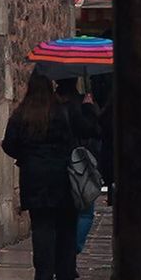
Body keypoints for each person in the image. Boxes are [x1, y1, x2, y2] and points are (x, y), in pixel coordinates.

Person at [1, 75, 93, 280]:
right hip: (61, 174)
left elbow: (8, 144)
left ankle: (43, 276)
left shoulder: (21, 115)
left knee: (42, 227)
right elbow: (74, 138)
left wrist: (26, 156)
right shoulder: (61, 111)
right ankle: (65, 273)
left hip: (34, 176)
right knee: (66, 225)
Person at [54, 77, 102, 253]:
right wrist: (90, 108)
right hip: (80, 164)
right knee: (85, 211)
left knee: (62, 215)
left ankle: (64, 254)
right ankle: (73, 249)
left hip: (57, 164)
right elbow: (95, 130)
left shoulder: (51, 104)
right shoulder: (79, 104)